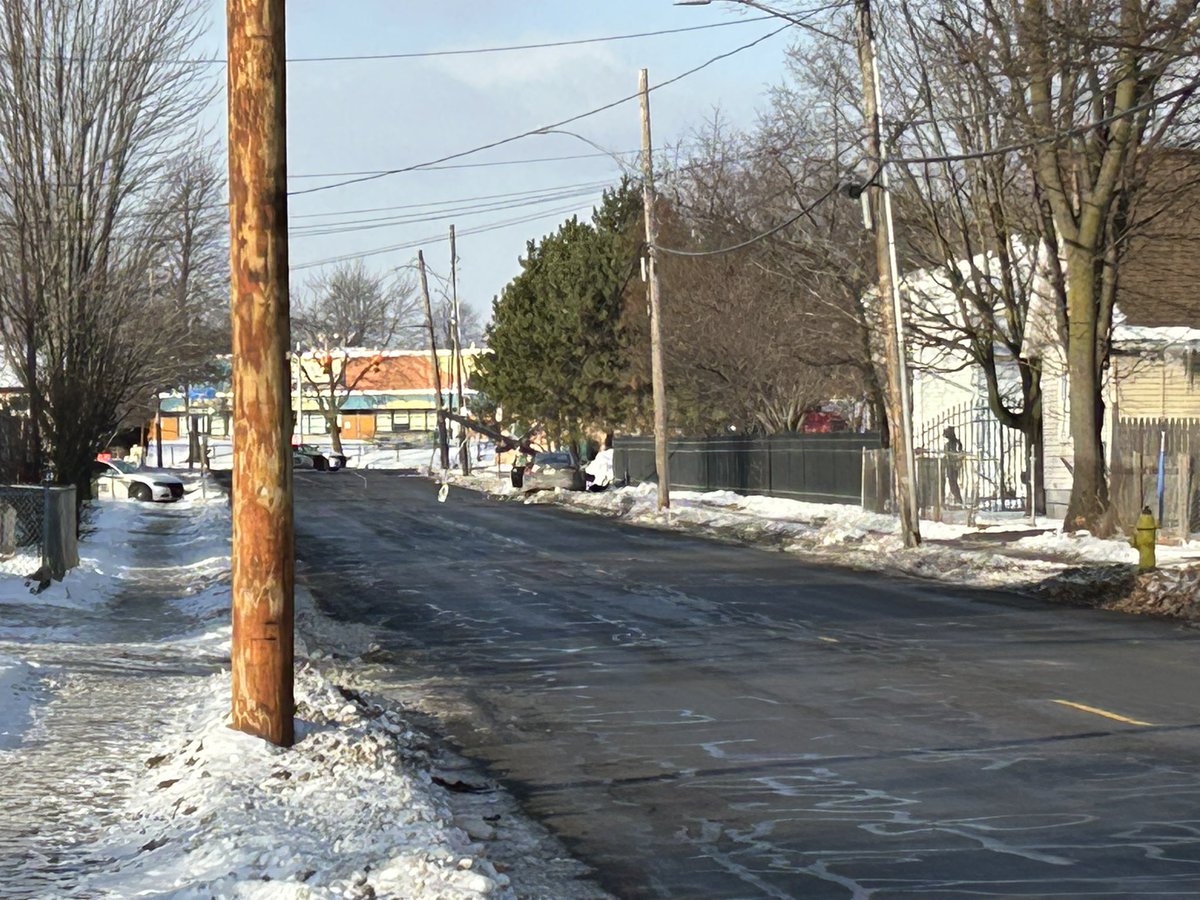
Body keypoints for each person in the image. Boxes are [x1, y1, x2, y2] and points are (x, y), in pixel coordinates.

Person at [943, 426, 964, 506]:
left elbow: (959, 454)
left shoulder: (956, 443)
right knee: (952, 482)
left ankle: (958, 499)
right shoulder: (949, 444)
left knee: (953, 483)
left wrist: (957, 460)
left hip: (953, 466)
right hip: (949, 465)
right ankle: (957, 499)